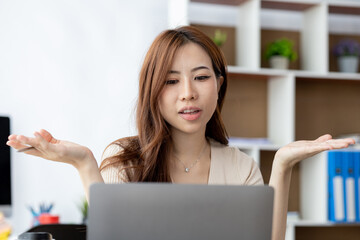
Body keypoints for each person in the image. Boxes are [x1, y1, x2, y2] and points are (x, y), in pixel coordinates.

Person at [6, 26, 355, 240]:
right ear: (153, 91)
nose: (188, 92)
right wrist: (84, 164)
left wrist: (282, 165)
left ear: (219, 84)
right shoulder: (124, 163)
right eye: (171, 81)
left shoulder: (240, 167)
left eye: (201, 77)